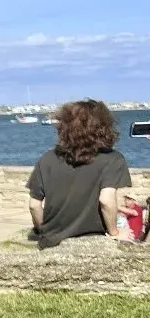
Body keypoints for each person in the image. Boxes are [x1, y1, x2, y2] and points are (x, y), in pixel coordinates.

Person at [27, 99, 134, 249]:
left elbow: (34, 205)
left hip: (52, 241)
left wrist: (43, 231)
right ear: (103, 127)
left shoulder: (47, 159)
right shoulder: (113, 159)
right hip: (95, 239)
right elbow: (106, 201)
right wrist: (114, 233)